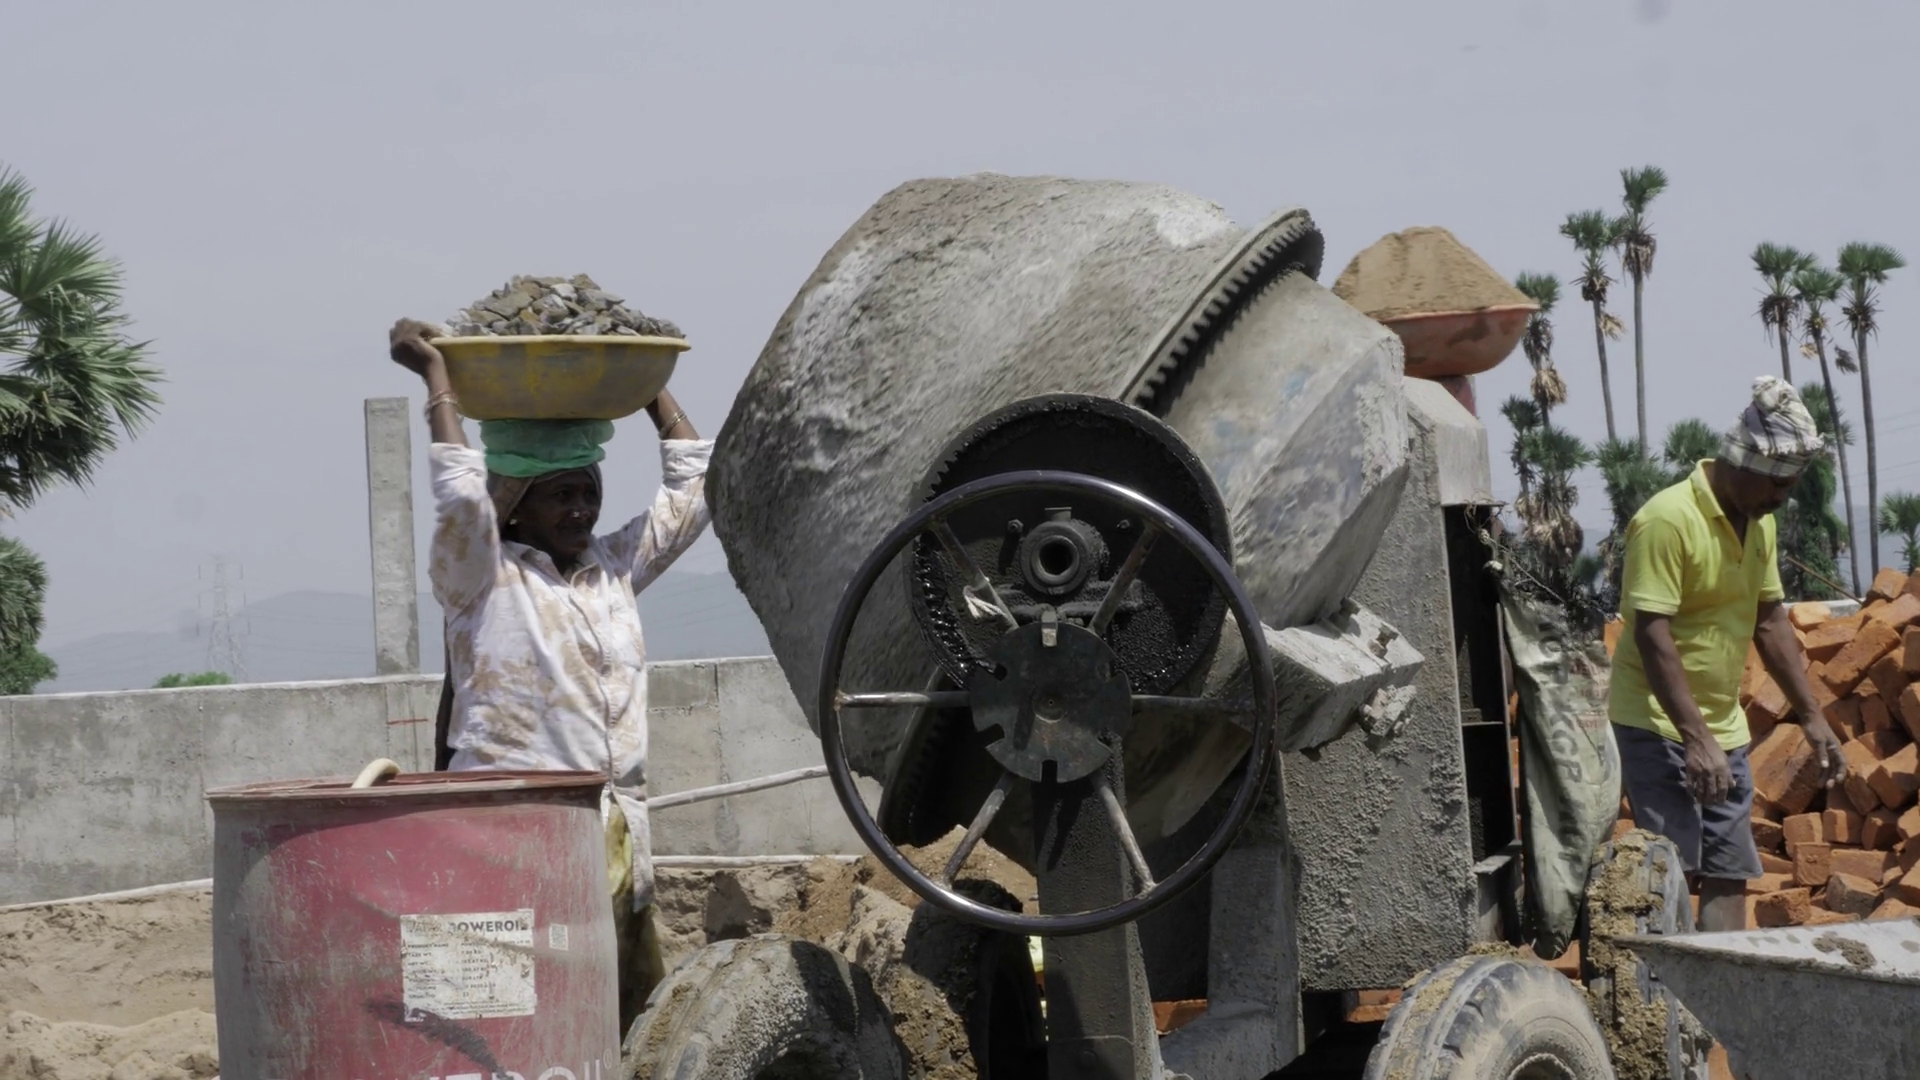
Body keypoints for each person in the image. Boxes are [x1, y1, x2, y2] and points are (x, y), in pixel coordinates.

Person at [388, 318, 712, 1034]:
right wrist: (437, 379)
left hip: (612, 829)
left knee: (617, 1026)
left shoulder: (610, 569)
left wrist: (644, 384)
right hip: (511, 833)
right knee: (517, 1025)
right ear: (516, 504)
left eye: (588, 490)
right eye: (561, 494)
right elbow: (460, 496)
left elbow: (695, 491)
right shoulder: (480, 575)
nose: (581, 509)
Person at [1609, 375, 1847, 932]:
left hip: (1725, 725)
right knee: (1666, 872)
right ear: (1741, 463)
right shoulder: (1667, 520)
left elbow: (1770, 621)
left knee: (1729, 867)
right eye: (1777, 484)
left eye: (1790, 485)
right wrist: (1695, 738)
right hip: (1657, 722)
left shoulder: (1759, 522)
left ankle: (1721, 982)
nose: (1782, 497)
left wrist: (1812, 717)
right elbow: (1650, 633)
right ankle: (1661, 985)